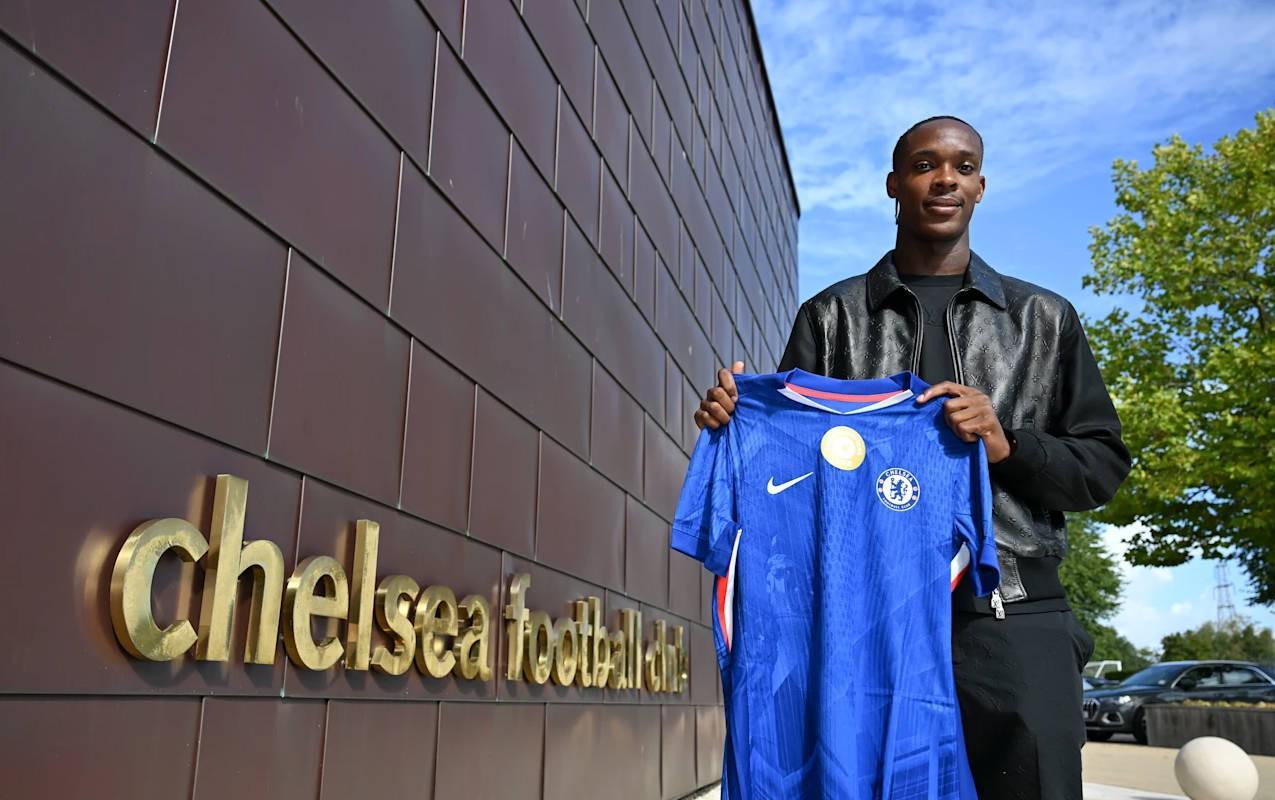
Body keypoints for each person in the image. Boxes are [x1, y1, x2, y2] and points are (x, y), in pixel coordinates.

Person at [693, 116, 1131, 800]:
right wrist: (738, 420)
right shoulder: (831, 317)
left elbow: (1101, 467)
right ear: (894, 184)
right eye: (926, 165)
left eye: (962, 166)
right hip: (866, 618)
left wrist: (1006, 444)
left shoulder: (1043, 319)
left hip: (1010, 613)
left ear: (980, 187)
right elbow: (792, 474)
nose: (945, 179)